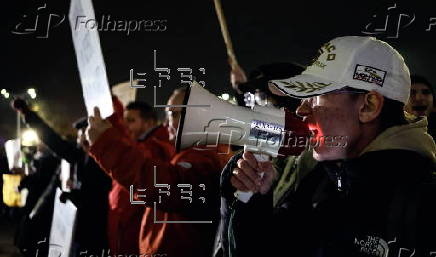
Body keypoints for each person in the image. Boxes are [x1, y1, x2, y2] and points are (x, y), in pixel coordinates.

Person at [222, 36, 436, 257]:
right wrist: (257, 201)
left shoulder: (425, 205)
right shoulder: (324, 180)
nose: (301, 111)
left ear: (368, 106)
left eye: (314, 97)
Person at [86, 88, 233, 257]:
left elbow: (163, 185)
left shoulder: (208, 157)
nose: (166, 124)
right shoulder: (197, 152)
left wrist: (106, 144)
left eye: (173, 114)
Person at [11, 99, 112, 257]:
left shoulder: (108, 161)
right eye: (81, 137)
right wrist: (29, 115)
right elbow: (52, 139)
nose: (85, 141)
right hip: (72, 228)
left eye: (88, 136)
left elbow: (99, 196)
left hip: (95, 232)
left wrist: (77, 197)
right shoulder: (76, 155)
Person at [107, 100, 174, 255]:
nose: (125, 126)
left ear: (148, 123)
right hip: (124, 227)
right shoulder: (140, 145)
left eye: (131, 121)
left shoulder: (154, 148)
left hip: (134, 229)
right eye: (124, 121)